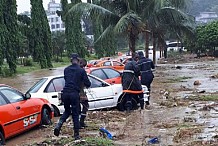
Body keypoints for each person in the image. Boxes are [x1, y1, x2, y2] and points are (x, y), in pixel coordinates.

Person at [54, 53, 91, 140]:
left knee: (67, 111)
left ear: (71, 61)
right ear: (78, 61)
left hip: (65, 93)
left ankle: (58, 125)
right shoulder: (81, 70)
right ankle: (76, 135)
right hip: (74, 94)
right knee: (75, 113)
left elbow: (68, 80)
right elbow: (88, 84)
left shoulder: (66, 69)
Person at [79, 58, 89, 128]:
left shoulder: (70, 70)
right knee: (85, 105)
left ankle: (78, 123)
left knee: (76, 107)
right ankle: (81, 122)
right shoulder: (81, 71)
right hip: (80, 92)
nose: (84, 67)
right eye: (84, 66)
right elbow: (87, 82)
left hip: (71, 91)